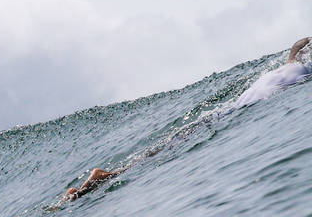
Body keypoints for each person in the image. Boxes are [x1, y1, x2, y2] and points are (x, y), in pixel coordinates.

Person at [55, 37, 310, 206]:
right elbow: (299, 51)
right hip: (231, 114)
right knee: (163, 153)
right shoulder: (302, 71)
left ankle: (105, 177)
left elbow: (296, 47)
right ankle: (106, 177)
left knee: (163, 150)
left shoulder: (285, 68)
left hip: (222, 113)